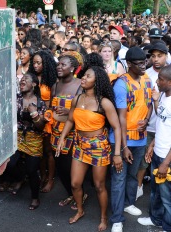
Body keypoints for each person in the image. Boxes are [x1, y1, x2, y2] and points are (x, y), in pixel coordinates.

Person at [56, 66, 121, 231]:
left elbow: (117, 127)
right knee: (75, 183)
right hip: (79, 143)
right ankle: (80, 210)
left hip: (98, 146)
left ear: (97, 81)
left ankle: (104, 217)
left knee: (99, 186)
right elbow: (70, 120)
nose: (83, 78)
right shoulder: (77, 99)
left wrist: (118, 153)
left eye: (87, 76)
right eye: (83, 75)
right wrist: (62, 138)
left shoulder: (104, 102)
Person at [109, 47, 153, 232]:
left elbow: (149, 104)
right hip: (122, 142)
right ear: (128, 64)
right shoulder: (121, 84)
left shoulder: (147, 79)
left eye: (145, 62)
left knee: (132, 177)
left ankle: (128, 203)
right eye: (139, 63)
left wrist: (147, 120)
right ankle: (117, 218)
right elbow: (121, 118)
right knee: (118, 179)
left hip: (141, 139)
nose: (144, 66)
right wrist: (124, 147)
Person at [137, 65, 171, 232]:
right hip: (158, 152)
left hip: (167, 158)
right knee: (155, 192)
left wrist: (166, 163)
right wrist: (152, 144)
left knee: (167, 197)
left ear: (170, 82)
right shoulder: (164, 96)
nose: (157, 82)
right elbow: (162, 121)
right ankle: (156, 219)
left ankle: (167, 226)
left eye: (161, 80)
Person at [136, 41, 168, 200]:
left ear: (166, 56)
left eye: (159, 56)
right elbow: (147, 102)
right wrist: (147, 120)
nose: (156, 59)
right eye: (153, 56)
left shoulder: (169, 73)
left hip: (166, 130)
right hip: (151, 126)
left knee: (164, 163)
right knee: (144, 160)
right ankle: (139, 187)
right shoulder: (146, 74)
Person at [50, 55, 82, 207]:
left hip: (73, 133)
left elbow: (85, 109)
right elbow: (50, 107)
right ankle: (70, 193)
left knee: (71, 167)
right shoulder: (55, 86)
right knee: (61, 166)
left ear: (72, 68)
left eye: (64, 64)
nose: (59, 67)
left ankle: (80, 195)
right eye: (58, 64)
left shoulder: (80, 86)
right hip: (56, 131)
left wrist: (69, 110)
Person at [28, 50, 58, 193]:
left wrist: (45, 116)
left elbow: (53, 103)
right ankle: (43, 175)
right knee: (39, 151)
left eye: (38, 63)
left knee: (48, 151)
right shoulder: (31, 78)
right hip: (33, 117)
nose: (35, 65)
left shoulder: (51, 80)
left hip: (46, 118)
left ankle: (51, 179)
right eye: (34, 62)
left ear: (45, 64)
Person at [16, 72, 46, 210]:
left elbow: (40, 126)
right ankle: (19, 178)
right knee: (10, 164)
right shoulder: (14, 98)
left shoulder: (40, 103)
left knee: (32, 170)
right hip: (17, 137)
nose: (22, 81)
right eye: (21, 79)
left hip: (34, 139)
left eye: (25, 80)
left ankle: (35, 197)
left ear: (34, 84)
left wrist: (34, 113)